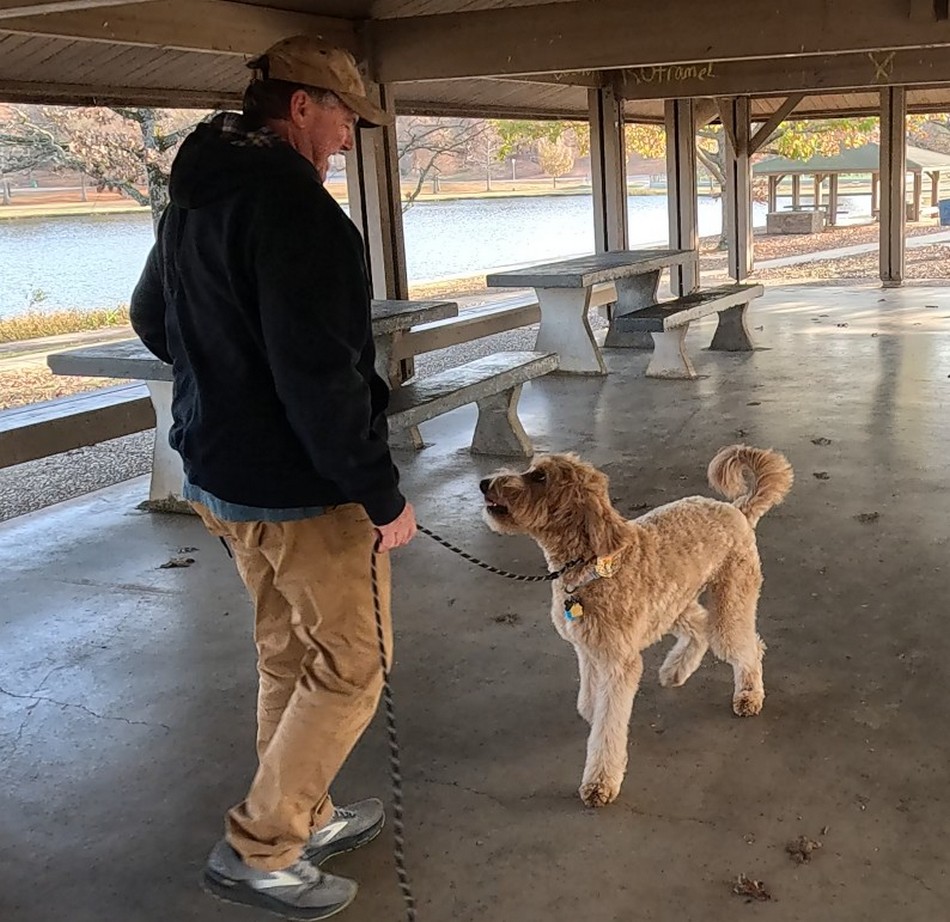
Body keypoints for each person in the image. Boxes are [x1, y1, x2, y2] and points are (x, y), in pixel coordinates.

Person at [129, 34, 417, 921]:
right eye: (339, 118)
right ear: (300, 107)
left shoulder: (193, 196)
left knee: (288, 649)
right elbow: (320, 376)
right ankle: (262, 848)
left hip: (217, 474)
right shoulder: (301, 214)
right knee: (354, 664)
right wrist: (380, 490)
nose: (345, 136)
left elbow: (150, 314)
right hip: (301, 489)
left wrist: (225, 383)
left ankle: (308, 813)